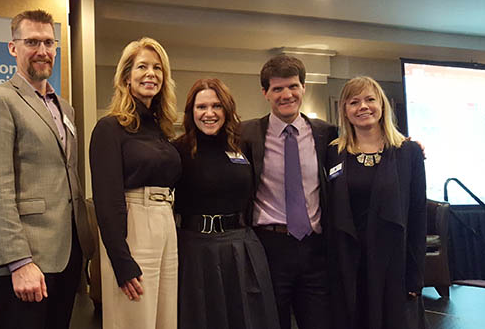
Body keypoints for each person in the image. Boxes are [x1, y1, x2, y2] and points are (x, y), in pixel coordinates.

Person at [0, 9, 93, 329]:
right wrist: (18, 261)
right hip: (29, 258)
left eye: (48, 42)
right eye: (32, 42)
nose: (42, 51)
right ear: (13, 48)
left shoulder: (64, 107)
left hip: (69, 251)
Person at [239, 55, 337, 329]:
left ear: (303, 87)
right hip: (269, 248)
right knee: (270, 322)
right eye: (278, 89)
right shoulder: (246, 133)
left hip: (315, 248)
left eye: (293, 86)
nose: (287, 95)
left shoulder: (327, 134)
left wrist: (405, 147)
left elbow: (367, 143)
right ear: (265, 93)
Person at [173, 78, 280, 329]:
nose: (209, 113)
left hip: (241, 247)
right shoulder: (177, 151)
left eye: (217, 106)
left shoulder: (241, 146)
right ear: (191, 112)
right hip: (195, 250)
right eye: (201, 107)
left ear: (227, 109)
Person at [89, 37, 180, 329]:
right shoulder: (110, 127)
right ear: (126, 77)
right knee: (134, 319)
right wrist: (121, 259)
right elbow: (106, 200)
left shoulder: (162, 131)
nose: (151, 73)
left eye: (157, 68)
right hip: (133, 228)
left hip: (166, 224)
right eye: (142, 66)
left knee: (165, 320)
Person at [326, 76, 427, 329]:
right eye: (354, 102)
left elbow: (417, 216)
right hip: (349, 263)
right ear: (345, 111)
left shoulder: (409, 152)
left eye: (370, 99)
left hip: (393, 263)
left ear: (382, 105)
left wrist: (415, 276)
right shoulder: (333, 152)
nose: (363, 107)